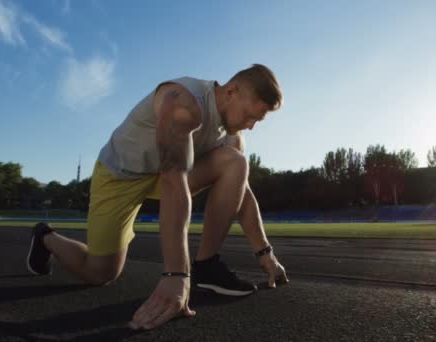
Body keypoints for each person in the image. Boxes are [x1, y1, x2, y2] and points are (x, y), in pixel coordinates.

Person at [26, 64, 289, 330]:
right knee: (100, 273)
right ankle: (46, 237)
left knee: (236, 163)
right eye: (249, 116)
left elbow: (241, 191)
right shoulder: (184, 103)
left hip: (164, 176)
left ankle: (207, 266)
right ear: (231, 91)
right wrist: (176, 275)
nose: (251, 126)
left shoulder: (232, 138)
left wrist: (265, 252)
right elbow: (173, 181)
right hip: (121, 177)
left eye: (257, 120)